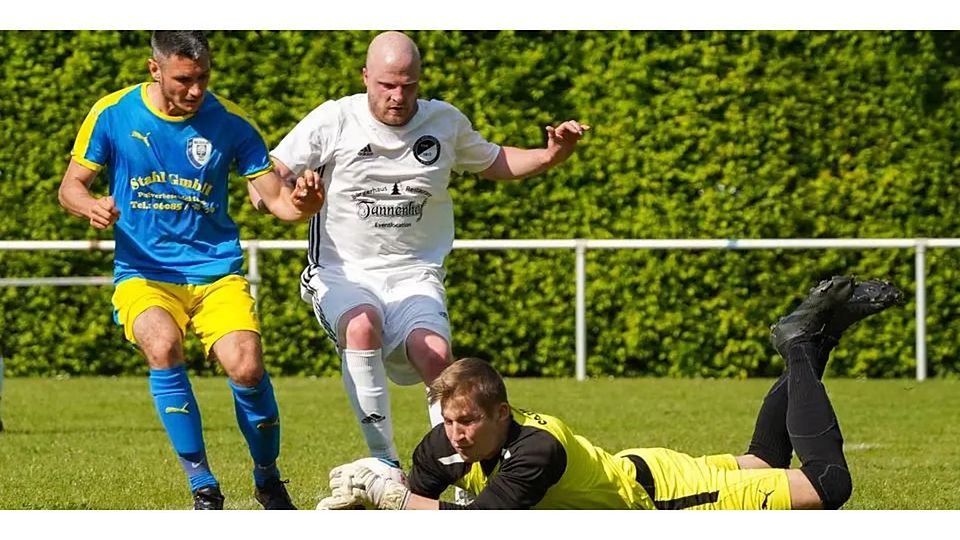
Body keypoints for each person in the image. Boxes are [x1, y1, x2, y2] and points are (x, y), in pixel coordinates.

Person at [263, 30, 590, 489]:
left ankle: (456, 474)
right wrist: (280, 197)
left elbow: (494, 161)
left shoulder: (444, 122)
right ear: (366, 78)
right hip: (342, 272)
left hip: (415, 272)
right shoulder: (334, 119)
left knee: (435, 355)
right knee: (361, 324)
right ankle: (386, 464)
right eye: (387, 85)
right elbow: (271, 170)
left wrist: (552, 155)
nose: (398, 97)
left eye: (408, 86)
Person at [317, 275, 903, 510]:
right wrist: (394, 493)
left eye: (468, 421)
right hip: (642, 472)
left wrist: (389, 498)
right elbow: (424, 507)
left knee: (828, 487)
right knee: (769, 460)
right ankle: (815, 338)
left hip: (663, 503)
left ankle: (802, 346)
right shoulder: (442, 444)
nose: (455, 434)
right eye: (448, 422)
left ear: (503, 412)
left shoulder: (536, 451)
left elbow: (477, 525)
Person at [57, 31, 324, 510]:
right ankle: (203, 484)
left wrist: (304, 205)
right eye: (184, 79)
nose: (195, 90)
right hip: (143, 271)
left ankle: (267, 477)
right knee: (162, 345)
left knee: (246, 366)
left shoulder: (231, 123)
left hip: (215, 271)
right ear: (154, 69)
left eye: (203, 78)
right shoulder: (112, 113)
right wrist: (90, 207)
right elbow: (70, 187)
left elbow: (278, 200)